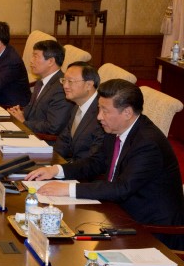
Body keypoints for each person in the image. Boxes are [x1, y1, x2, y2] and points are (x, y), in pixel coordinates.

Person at [26, 79, 184, 249]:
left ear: (127, 113)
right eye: (98, 109)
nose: (99, 117)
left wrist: (67, 189)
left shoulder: (148, 143)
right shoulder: (115, 128)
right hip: (118, 214)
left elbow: (122, 188)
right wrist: (56, 170)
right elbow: (96, 162)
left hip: (152, 230)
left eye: (105, 111)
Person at [7, 40, 73, 135]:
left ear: (50, 61)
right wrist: (19, 113)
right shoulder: (41, 81)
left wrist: (24, 122)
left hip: (44, 140)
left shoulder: (62, 87)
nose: (31, 60)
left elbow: (53, 127)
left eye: (35, 56)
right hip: (30, 132)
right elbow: (31, 109)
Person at [53, 62, 104, 162]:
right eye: (64, 80)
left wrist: (62, 169)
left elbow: (94, 158)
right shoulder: (77, 105)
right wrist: (49, 160)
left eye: (70, 81)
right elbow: (64, 140)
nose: (65, 86)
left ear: (89, 85)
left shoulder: (102, 113)